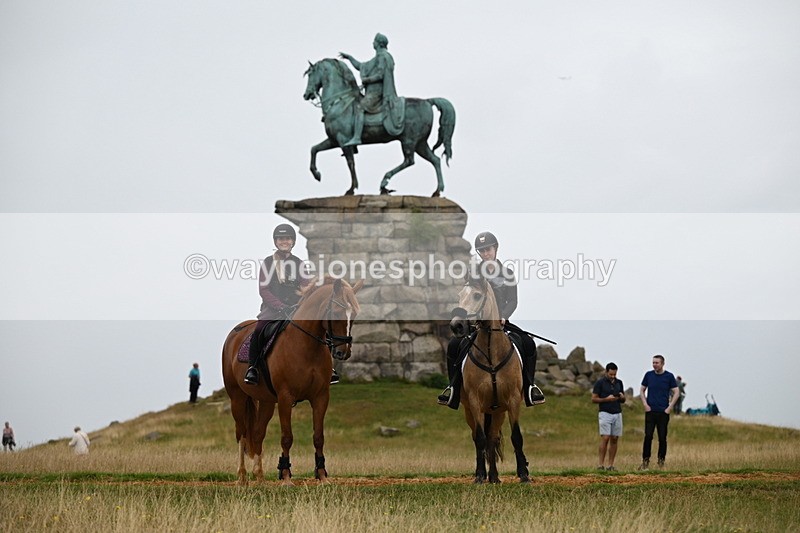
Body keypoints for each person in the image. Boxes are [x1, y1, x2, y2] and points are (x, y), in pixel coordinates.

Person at [438, 231, 545, 409]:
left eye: (488, 249)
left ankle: (529, 388)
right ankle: (453, 389)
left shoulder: (507, 273)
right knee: (454, 346)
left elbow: (513, 300)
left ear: (495, 249)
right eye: (482, 251)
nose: (486, 254)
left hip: (501, 323)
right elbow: (468, 296)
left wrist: (504, 316)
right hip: (477, 325)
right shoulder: (474, 274)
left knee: (528, 343)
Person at [245, 224, 339, 385]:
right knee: (260, 330)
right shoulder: (268, 263)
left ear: (293, 242)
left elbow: (307, 286)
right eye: (281, 239)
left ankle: (328, 368)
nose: (284, 241)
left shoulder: (299, 264)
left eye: (287, 238)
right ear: (275, 242)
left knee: (323, 330)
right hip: (273, 310)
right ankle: (253, 368)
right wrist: (280, 306)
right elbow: (264, 290)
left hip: (296, 309)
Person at [339, 33, 401, 146]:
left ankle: (357, 137)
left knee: (359, 108)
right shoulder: (377, 57)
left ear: (378, 43)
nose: (373, 43)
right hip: (372, 92)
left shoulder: (383, 57)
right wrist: (350, 58)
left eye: (374, 41)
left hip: (377, 93)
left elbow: (380, 75)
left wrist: (367, 80)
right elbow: (361, 66)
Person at [639, 354, 679, 469]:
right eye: (653, 363)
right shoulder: (648, 375)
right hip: (650, 411)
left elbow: (676, 392)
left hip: (663, 412)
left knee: (662, 438)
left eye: (656, 363)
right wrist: (645, 404)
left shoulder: (669, 376)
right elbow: (642, 389)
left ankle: (661, 462)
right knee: (648, 437)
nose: (654, 365)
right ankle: (645, 463)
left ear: (662, 364)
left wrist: (669, 407)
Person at [592, 362, 625, 470]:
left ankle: (610, 465)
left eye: (614, 374)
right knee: (605, 438)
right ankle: (600, 464)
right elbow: (594, 399)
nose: (613, 376)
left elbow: (623, 400)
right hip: (605, 412)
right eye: (611, 374)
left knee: (615, 438)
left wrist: (621, 397)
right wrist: (607, 399)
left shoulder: (619, 383)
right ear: (606, 372)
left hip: (617, 412)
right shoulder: (600, 383)